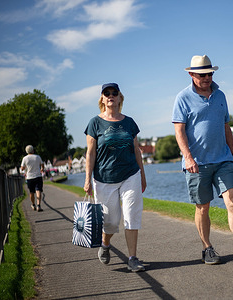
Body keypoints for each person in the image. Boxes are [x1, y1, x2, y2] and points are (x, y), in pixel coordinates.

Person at [172, 55, 233, 266]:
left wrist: (232, 155)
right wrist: (188, 157)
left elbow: (226, 127)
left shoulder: (220, 95)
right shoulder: (182, 98)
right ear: (192, 74)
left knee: (232, 199)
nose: (207, 77)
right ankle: (207, 248)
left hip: (222, 158)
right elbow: (179, 131)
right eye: (203, 74)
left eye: (210, 73)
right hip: (197, 163)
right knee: (203, 207)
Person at [84, 83, 147, 272]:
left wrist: (142, 175)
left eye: (114, 93)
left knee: (131, 215)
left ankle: (133, 258)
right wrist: (88, 179)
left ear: (120, 98)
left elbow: (136, 150)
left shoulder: (129, 122)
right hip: (104, 178)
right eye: (107, 93)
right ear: (102, 99)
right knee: (110, 221)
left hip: (130, 174)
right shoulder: (94, 123)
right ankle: (105, 243)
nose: (111, 96)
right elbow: (90, 153)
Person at [21, 145, 45, 212]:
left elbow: (22, 168)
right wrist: (42, 169)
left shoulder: (25, 158)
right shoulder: (37, 157)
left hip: (29, 177)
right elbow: (42, 164)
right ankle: (38, 205)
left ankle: (33, 204)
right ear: (33, 150)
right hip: (38, 176)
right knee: (38, 190)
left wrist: (26, 167)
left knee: (31, 192)